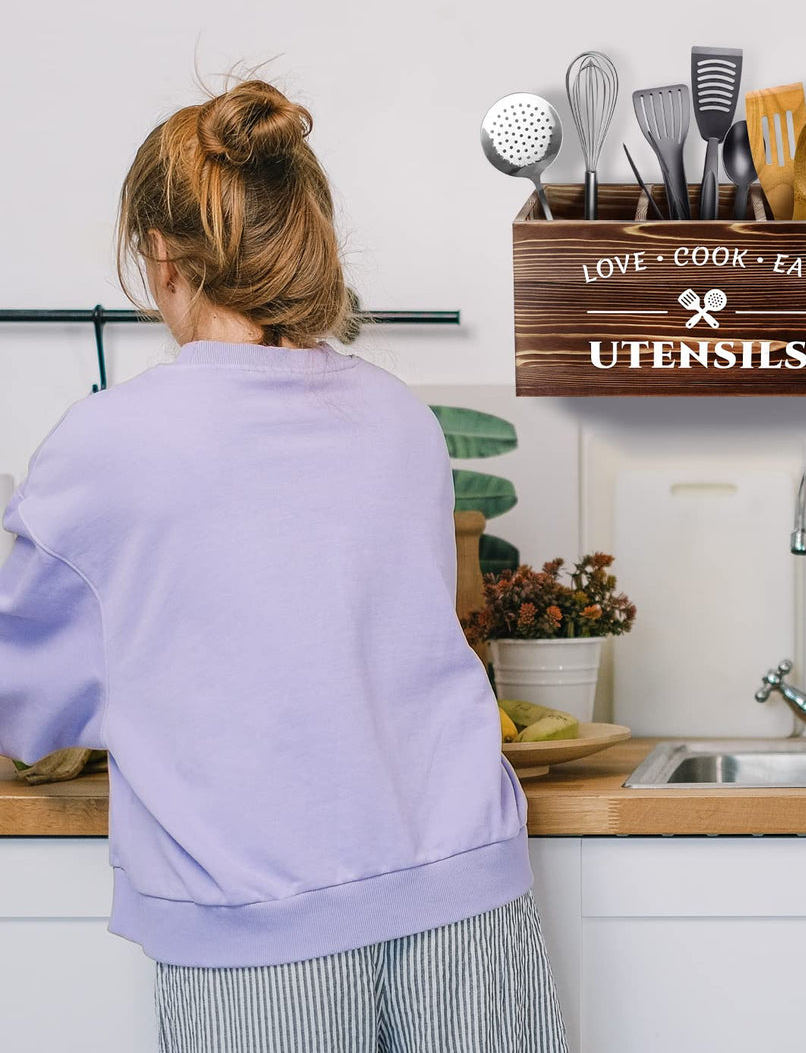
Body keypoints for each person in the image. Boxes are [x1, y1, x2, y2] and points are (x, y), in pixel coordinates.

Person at [0, 77, 569, 1052]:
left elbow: (26, 706)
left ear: (161, 255)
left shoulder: (107, 445)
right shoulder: (398, 418)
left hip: (264, 928)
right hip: (471, 902)